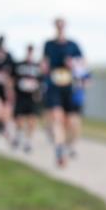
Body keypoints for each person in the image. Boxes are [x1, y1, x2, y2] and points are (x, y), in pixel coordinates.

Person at [42, 17, 85, 167]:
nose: (60, 27)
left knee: (72, 122)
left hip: (70, 88)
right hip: (54, 87)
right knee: (57, 117)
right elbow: (45, 64)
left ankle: (68, 145)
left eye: (62, 25)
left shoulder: (73, 46)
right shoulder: (49, 45)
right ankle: (59, 149)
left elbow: (83, 65)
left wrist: (72, 64)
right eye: (57, 25)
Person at [12, 44, 43, 153]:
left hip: (32, 97)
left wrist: (39, 93)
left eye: (31, 51)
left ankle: (28, 141)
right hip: (21, 96)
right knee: (19, 118)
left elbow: (41, 82)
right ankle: (19, 135)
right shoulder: (19, 65)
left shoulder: (37, 66)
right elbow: (13, 79)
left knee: (32, 119)